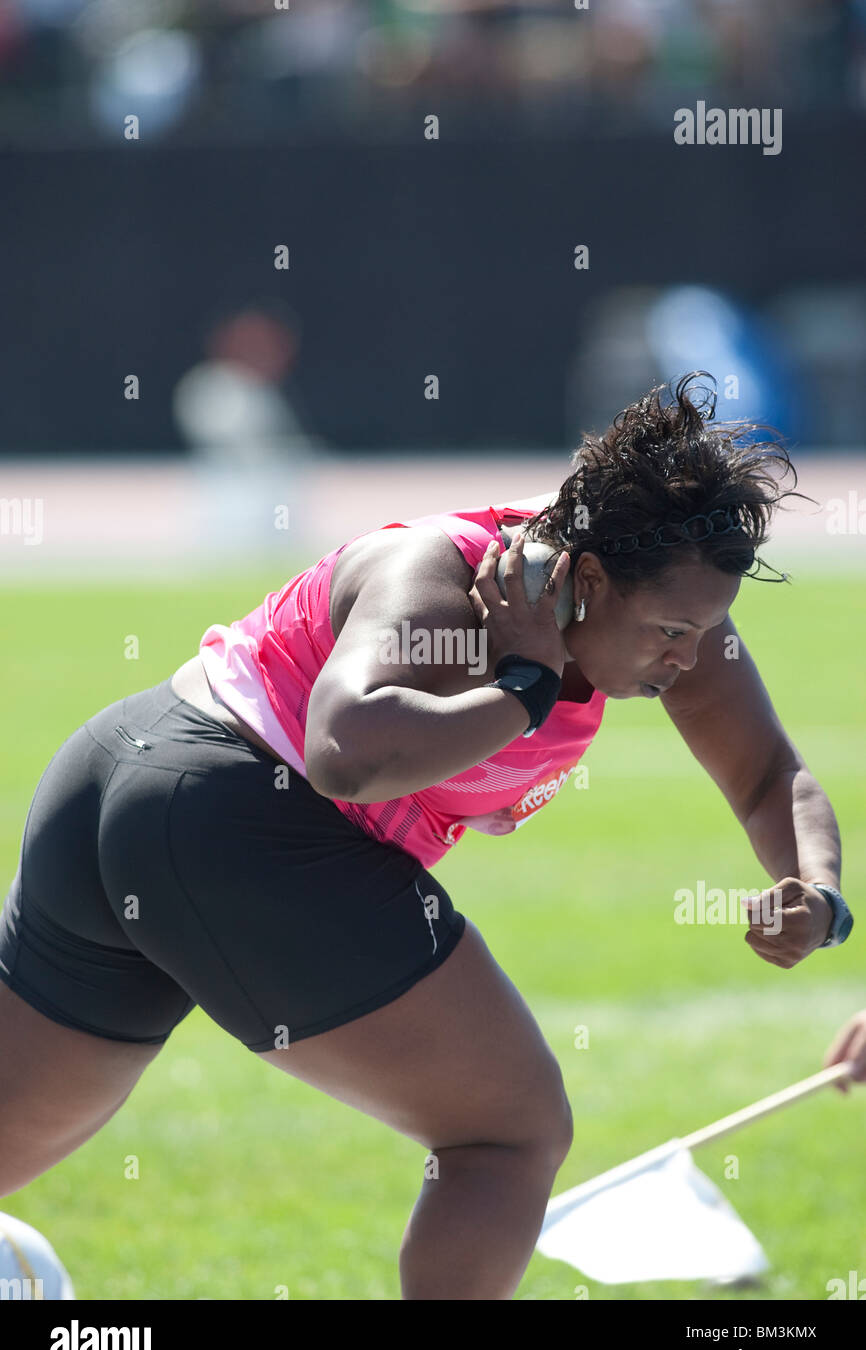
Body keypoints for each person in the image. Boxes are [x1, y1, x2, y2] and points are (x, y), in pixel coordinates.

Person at [0, 372, 853, 1300]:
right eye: (674, 632)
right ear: (593, 576)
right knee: (510, 1132)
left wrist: (819, 890)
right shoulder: (446, 576)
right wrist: (525, 687)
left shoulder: (648, 609)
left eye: (706, 631)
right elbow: (345, 751)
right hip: (234, 813)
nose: (689, 658)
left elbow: (772, 775)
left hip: (124, 790)